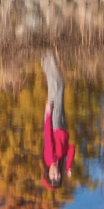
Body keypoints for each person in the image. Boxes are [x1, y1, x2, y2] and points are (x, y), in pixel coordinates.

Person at [41, 51, 75, 189]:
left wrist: (48, 114)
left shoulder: (49, 158)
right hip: (61, 125)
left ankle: (47, 55)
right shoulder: (60, 159)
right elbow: (72, 148)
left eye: (53, 177)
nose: (56, 175)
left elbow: (48, 136)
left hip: (54, 123)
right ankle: (45, 57)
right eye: (58, 177)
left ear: (48, 174)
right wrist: (68, 166)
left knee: (58, 85)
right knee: (56, 86)